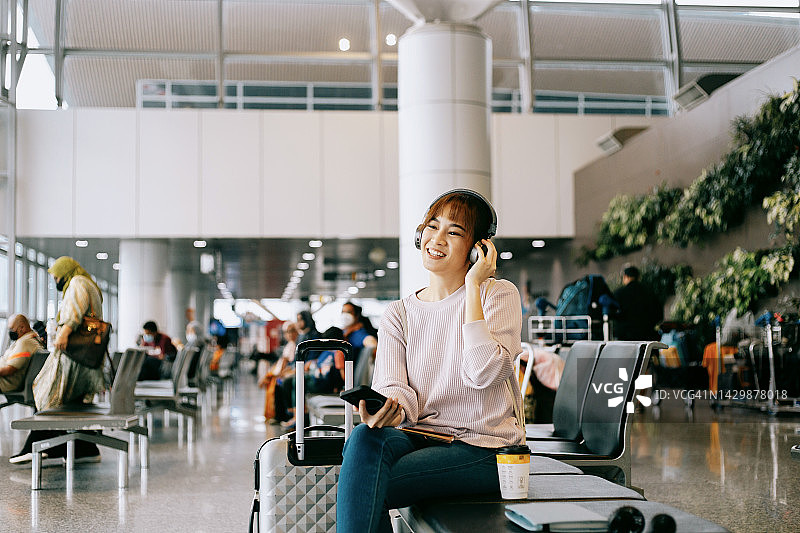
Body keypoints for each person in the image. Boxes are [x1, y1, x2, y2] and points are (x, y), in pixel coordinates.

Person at [337, 189, 525, 532]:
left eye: (454, 232)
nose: (436, 239)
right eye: (432, 226)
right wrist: (389, 406)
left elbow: (483, 372)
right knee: (365, 438)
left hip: (482, 449)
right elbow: (393, 384)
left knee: (363, 488)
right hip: (419, 436)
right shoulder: (399, 313)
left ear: (477, 248)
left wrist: (472, 287)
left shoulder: (498, 294)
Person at [11, 256, 107, 464]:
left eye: (55, 275)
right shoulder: (90, 283)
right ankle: (85, 449)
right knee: (73, 402)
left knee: (46, 393)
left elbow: (74, 312)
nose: (55, 279)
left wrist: (63, 334)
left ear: (65, 272)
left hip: (74, 355)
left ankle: (38, 445)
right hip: (88, 357)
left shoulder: (77, 282)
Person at [612, 265, 663, 341]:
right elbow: (659, 314)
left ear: (625, 277)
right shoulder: (649, 292)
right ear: (638, 277)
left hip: (626, 336)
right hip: (647, 335)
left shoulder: (619, 293)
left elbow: (613, 314)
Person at [0, 314, 43, 394]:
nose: (11, 332)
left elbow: (9, 370)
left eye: (12, 329)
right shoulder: (30, 339)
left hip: (6, 382)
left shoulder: (25, 343)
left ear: (22, 328)